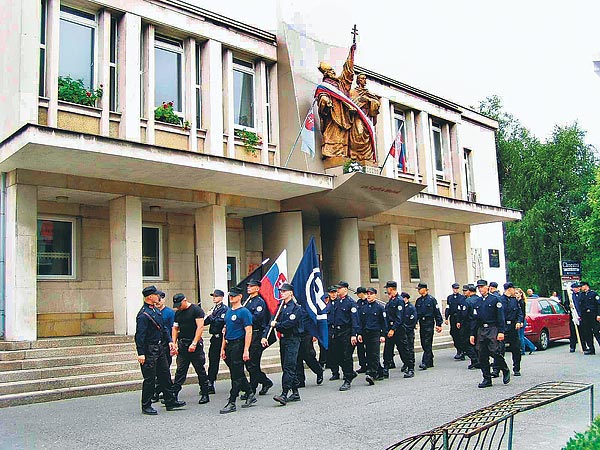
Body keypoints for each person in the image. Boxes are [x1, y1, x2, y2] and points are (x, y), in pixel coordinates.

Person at [135, 285, 185, 415]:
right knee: (150, 378)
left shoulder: (156, 311)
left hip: (160, 347)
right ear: (150, 297)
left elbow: (163, 329)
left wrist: (169, 341)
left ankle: (170, 400)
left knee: (165, 374)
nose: (159, 297)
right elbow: (139, 336)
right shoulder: (143, 314)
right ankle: (146, 405)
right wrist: (141, 353)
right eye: (156, 295)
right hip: (149, 349)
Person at [265, 283, 303, 405]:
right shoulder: (280, 306)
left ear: (290, 293)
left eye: (284, 291)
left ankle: (284, 393)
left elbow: (289, 323)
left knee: (289, 366)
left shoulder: (296, 308)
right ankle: (295, 392)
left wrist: (276, 325)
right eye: (281, 291)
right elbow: (273, 319)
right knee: (285, 365)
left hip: (293, 339)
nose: (282, 293)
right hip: (284, 339)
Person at [219, 286, 255, 414]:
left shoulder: (244, 312)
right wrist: (223, 348)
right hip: (229, 344)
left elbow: (248, 331)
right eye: (230, 296)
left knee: (236, 373)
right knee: (237, 372)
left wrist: (246, 349)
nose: (231, 298)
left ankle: (232, 401)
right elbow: (225, 330)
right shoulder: (228, 312)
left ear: (240, 296)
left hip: (238, 344)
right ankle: (250, 393)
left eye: (234, 296)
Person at [317, 44, 356, 159]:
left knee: (342, 135)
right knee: (332, 133)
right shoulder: (324, 86)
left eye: (333, 70)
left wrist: (351, 56)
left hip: (343, 114)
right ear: (326, 74)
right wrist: (325, 101)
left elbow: (347, 74)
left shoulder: (340, 84)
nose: (333, 72)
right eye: (330, 71)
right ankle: (331, 153)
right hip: (333, 114)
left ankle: (342, 154)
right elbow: (322, 96)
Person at [171, 293, 211, 405]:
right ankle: (174, 395)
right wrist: (173, 343)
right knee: (180, 370)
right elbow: (175, 328)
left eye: (180, 305)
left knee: (200, 369)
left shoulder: (196, 310)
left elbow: (200, 327)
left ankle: (204, 393)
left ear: (185, 300)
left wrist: (194, 343)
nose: (179, 307)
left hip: (195, 344)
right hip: (183, 344)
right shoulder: (178, 313)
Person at [470, 280, 510, 388]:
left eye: (482, 287)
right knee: (482, 354)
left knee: (494, 352)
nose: (480, 289)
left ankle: (505, 369)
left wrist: (501, 331)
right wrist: (472, 334)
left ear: (487, 287)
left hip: (493, 328)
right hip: (481, 329)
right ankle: (486, 378)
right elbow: (474, 319)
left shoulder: (495, 299)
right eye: (479, 287)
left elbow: (500, 317)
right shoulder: (477, 302)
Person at [242, 279, 273, 397]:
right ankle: (265, 381)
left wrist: (243, 319)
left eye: (251, 286)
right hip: (247, 334)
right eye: (248, 286)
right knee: (248, 363)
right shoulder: (247, 301)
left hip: (256, 334)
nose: (249, 288)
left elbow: (257, 318)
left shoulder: (259, 302)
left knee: (253, 363)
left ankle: (252, 389)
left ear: (257, 288)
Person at [328, 281, 360, 391]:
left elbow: (355, 320)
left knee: (347, 356)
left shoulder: (351, 303)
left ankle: (347, 379)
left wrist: (354, 334)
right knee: (337, 356)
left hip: (347, 332)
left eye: (339, 288)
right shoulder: (336, 302)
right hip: (337, 332)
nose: (337, 290)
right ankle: (350, 372)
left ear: (345, 289)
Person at [357, 287, 388, 385]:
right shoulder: (363, 307)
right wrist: (360, 333)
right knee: (369, 354)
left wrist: (383, 335)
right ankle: (380, 371)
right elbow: (361, 322)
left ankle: (372, 374)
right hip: (366, 333)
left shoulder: (379, 308)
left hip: (375, 333)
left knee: (374, 354)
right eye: (368, 294)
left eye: (371, 294)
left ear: (375, 295)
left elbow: (384, 323)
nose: (369, 295)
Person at [349, 74, 380, 161]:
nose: (364, 80)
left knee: (368, 138)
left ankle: (367, 158)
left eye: (365, 79)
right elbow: (350, 102)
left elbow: (377, 103)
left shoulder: (368, 93)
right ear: (358, 80)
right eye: (362, 79)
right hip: (358, 117)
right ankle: (354, 156)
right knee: (358, 134)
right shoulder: (352, 91)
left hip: (367, 117)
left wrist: (368, 100)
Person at [495, 283, 523, 377]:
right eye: (513, 289)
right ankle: (497, 369)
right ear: (509, 289)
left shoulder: (514, 300)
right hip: (502, 327)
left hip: (512, 327)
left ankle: (516, 368)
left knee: (516, 348)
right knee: (499, 349)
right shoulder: (499, 300)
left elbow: (519, 313)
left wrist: (519, 321)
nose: (514, 291)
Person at [382, 281, 409, 377]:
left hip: (398, 329)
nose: (386, 290)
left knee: (403, 349)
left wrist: (393, 329)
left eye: (387, 288)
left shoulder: (399, 300)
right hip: (389, 329)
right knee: (387, 350)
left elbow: (399, 318)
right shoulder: (390, 301)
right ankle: (385, 369)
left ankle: (409, 367)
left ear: (391, 288)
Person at [203, 289, 228, 394]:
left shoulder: (224, 309)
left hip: (222, 338)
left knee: (230, 361)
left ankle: (241, 382)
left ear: (221, 297)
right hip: (214, 338)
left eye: (216, 296)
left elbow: (220, 322)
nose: (214, 298)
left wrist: (211, 315)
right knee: (213, 361)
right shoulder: (213, 308)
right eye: (213, 296)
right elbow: (206, 322)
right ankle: (210, 383)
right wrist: (205, 317)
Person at [295, 300, 324, 388]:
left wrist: (314, 334)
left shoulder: (306, 305)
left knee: (308, 356)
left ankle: (319, 371)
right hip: (296, 335)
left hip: (306, 334)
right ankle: (300, 380)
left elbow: (312, 320)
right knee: (297, 357)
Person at [152, 292, 175, 403]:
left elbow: (172, 328)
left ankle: (162, 391)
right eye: (157, 299)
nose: (158, 302)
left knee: (165, 369)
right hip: (156, 343)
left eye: (160, 299)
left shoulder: (169, 312)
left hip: (166, 343)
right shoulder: (152, 312)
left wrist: (172, 342)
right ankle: (158, 391)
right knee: (158, 369)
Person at [415, 282, 443, 370]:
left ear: (425, 289)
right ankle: (430, 359)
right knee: (423, 342)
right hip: (422, 323)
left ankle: (425, 362)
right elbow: (416, 313)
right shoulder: (418, 300)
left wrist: (439, 324)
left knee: (427, 342)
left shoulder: (431, 299)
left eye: (420, 289)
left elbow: (437, 312)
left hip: (429, 322)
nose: (418, 290)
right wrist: (415, 322)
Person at [445, 283, 467, 360]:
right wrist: (446, 317)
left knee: (460, 334)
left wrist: (459, 320)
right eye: (454, 288)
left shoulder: (461, 298)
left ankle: (462, 351)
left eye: (457, 288)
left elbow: (461, 310)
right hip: (453, 318)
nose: (456, 290)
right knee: (453, 333)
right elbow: (448, 308)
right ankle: (458, 349)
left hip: (459, 318)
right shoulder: (450, 298)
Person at [579, 281, 600, 355]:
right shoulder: (581, 295)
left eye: (581, 286)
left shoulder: (593, 294)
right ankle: (591, 349)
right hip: (585, 316)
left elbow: (598, 305)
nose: (580, 288)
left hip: (593, 315)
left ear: (586, 286)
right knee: (587, 332)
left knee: (596, 332)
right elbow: (580, 306)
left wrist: (598, 315)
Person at [319, 286, 336, 371]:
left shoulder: (335, 303)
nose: (333, 294)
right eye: (331, 293)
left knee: (331, 346)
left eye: (334, 292)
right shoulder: (322, 305)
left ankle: (329, 363)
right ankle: (322, 362)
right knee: (323, 345)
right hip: (323, 328)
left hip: (331, 327)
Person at [400, 292, 417, 378]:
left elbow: (412, 320)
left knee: (410, 348)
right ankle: (405, 363)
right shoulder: (401, 307)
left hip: (409, 331)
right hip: (402, 332)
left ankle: (411, 364)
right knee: (403, 349)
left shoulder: (411, 308)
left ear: (406, 298)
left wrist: (406, 328)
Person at [463, 285, 480, 370]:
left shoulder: (468, 301)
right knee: (477, 342)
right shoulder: (479, 299)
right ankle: (479, 360)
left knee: (468, 343)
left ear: (469, 291)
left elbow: (464, 314)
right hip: (479, 324)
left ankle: (475, 360)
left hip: (469, 324)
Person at [515, 288, 536, 355]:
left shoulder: (521, 302)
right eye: (515, 293)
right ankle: (532, 347)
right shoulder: (517, 301)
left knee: (520, 336)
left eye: (517, 293)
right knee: (521, 336)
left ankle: (522, 350)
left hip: (522, 321)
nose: (516, 294)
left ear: (521, 294)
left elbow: (523, 313)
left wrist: (521, 321)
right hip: (520, 320)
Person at [354, 286, 369, 373]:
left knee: (369, 348)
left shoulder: (368, 302)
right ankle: (363, 365)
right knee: (360, 348)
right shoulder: (358, 302)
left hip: (367, 327)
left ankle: (370, 365)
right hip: (360, 328)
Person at [569, 282, 587, 352]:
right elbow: (565, 304)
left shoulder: (581, 295)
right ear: (573, 289)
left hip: (581, 315)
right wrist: (569, 306)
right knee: (573, 332)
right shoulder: (570, 296)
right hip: (573, 316)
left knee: (582, 332)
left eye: (578, 287)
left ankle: (584, 346)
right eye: (576, 287)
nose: (578, 289)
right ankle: (572, 347)